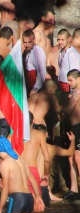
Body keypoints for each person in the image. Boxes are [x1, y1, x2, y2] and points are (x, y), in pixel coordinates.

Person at [0, 137, 44, 213]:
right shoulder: (21, 160)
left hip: (18, 199)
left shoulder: (4, 164)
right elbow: (33, 180)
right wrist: (37, 196)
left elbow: (5, 188)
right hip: (29, 198)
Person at [35, 125, 75, 202]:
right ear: (46, 134)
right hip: (42, 187)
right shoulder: (51, 148)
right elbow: (70, 152)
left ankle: (49, 193)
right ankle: (48, 193)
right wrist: (72, 140)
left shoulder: (28, 147)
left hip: (29, 186)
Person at [21, 112, 50, 211]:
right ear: (33, 121)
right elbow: (47, 158)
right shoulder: (38, 134)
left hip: (18, 170)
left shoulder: (14, 135)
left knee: (20, 206)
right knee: (37, 206)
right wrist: (46, 173)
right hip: (32, 171)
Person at [61, 69, 80, 200]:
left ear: (78, 79)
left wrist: (58, 107)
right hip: (73, 127)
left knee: (78, 158)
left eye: (70, 80)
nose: (68, 83)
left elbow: (68, 110)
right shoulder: (73, 92)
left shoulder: (77, 92)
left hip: (78, 127)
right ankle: (74, 189)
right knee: (70, 157)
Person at [58, 28, 80, 106]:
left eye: (62, 40)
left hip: (69, 88)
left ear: (69, 39)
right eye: (58, 39)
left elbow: (75, 73)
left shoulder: (72, 54)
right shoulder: (61, 52)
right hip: (62, 88)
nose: (60, 42)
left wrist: (72, 92)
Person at [22, 29, 46, 97]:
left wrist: (35, 89)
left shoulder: (37, 51)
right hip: (29, 87)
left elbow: (41, 72)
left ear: (34, 40)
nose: (27, 45)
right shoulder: (26, 52)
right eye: (25, 42)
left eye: (29, 42)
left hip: (36, 89)